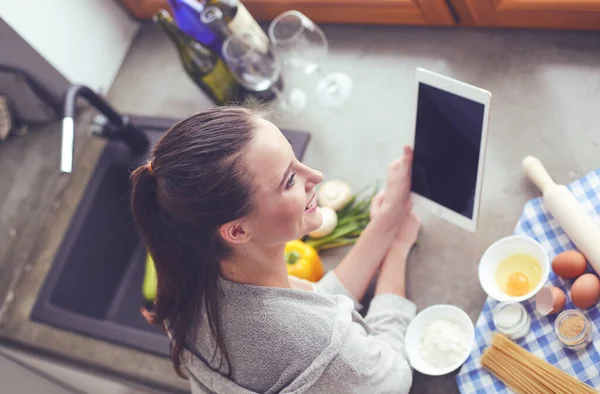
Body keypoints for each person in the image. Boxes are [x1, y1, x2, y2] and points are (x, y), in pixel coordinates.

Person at [130, 106, 421, 394]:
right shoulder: (312, 343)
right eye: (290, 180)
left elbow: (316, 303)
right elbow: (394, 376)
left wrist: (386, 223)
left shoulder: (192, 284)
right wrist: (396, 251)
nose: (316, 176)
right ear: (238, 230)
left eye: (295, 160)